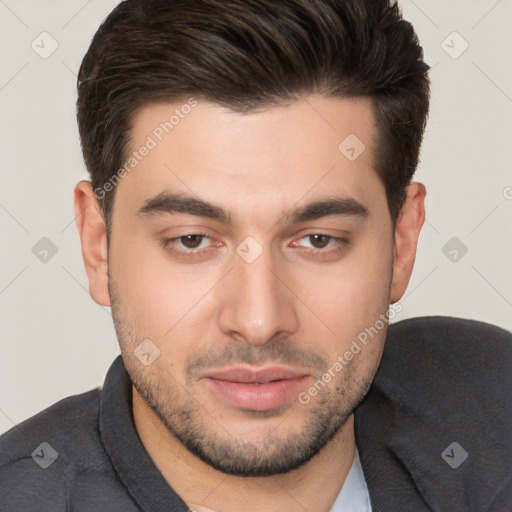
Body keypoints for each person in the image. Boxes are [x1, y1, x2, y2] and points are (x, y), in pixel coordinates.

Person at [1, 0, 511, 510]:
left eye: (318, 240)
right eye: (192, 240)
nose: (259, 321)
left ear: (402, 242)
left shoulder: (489, 402)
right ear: (98, 245)